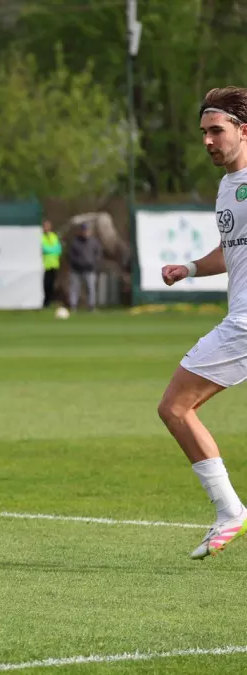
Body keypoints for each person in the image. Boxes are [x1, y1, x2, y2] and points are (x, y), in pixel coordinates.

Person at [158, 86, 247, 559]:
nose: (209, 141)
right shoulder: (229, 187)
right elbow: (232, 251)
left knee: (174, 408)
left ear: (243, 130)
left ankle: (230, 510)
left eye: (217, 131)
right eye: (204, 133)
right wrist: (190, 268)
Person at [66, 222, 101, 311]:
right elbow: (70, 255)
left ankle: (91, 306)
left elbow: (98, 254)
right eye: (84, 230)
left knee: (91, 288)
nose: (85, 232)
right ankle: (73, 306)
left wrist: (93, 263)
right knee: (74, 288)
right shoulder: (75, 242)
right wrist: (77, 262)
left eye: (87, 230)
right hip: (76, 270)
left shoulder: (94, 242)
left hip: (90, 269)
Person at [41, 219, 62, 308]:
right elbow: (44, 249)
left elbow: (59, 249)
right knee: (45, 284)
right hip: (45, 265)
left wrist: (50, 250)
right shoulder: (40, 237)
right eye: (45, 226)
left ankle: (49, 302)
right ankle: (44, 302)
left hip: (54, 264)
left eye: (47, 226)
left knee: (52, 285)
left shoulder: (54, 236)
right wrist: (52, 250)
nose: (46, 228)